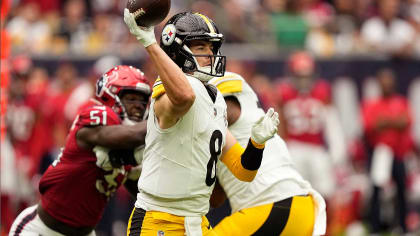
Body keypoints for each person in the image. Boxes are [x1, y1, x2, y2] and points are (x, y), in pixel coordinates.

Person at [123, 10, 279, 236]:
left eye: (211, 48)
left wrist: (256, 143)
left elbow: (244, 171)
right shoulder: (171, 90)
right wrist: (149, 42)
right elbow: (184, 97)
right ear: (175, 51)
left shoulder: (216, 98)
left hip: (197, 221)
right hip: (159, 220)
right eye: (200, 47)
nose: (210, 54)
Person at [9, 65, 151, 236]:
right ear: (110, 95)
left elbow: (143, 194)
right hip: (42, 230)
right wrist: (162, 117)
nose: (138, 106)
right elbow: (128, 135)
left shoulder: (131, 141)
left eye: (143, 101)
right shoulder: (97, 116)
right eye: (131, 99)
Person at [207, 71, 326, 236]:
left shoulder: (223, 110)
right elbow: (216, 198)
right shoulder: (248, 121)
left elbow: (223, 111)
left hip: (266, 205)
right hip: (303, 208)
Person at [275, 51, 346, 201]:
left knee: (325, 191)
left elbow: (332, 124)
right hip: (293, 147)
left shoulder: (322, 91)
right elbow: (278, 125)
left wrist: (337, 150)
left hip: (317, 148)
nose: (303, 80)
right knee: (293, 191)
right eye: (299, 75)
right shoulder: (283, 93)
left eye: (306, 75)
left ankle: (323, 224)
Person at [361, 68, 414, 234]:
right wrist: (393, 122)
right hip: (381, 153)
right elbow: (371, 126)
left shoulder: (401, 101)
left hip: (398, 153)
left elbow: (405, 122)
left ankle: (402, 227)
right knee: (376, 190)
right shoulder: (372, 104)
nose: (387, 85)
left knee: (401, 191)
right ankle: (375, 227)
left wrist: (385, 122)